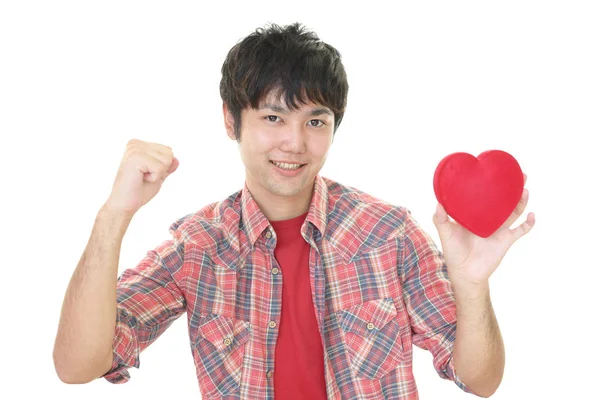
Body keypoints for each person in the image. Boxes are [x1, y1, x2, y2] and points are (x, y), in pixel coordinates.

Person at [53, 22, 535, 399]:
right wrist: (113, 217)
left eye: (315, 120)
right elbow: (78, 366)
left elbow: (480, 381)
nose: (295, 143)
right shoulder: (198, 248)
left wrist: (472, 286)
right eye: (272, 117)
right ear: (230, 119)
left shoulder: (390, 234)